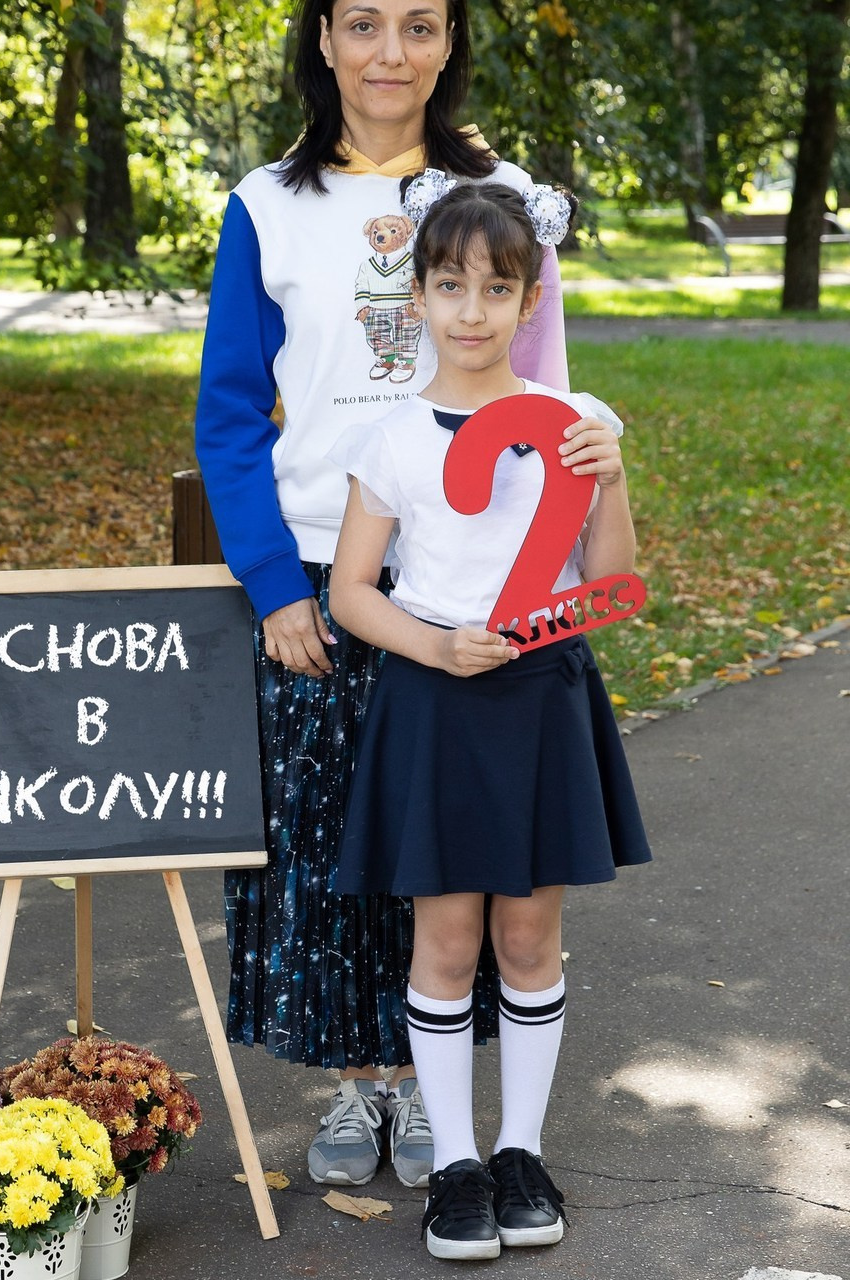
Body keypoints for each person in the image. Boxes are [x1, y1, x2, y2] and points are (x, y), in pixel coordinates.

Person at [194, 0, 581, 1189]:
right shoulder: (267, 204)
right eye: (361, 23)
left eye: (418, 25)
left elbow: (546, 393)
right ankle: (363, 1086)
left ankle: (441, 1103)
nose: (388, 53)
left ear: (450, 42)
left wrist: (546, 594)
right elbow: (226, 415)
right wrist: (270, 585)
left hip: (469, 578)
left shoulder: (502, 195)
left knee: (458, 849)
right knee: (338, 847)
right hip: (323, 573)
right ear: (320, 39)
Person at [327, 177, 652, 1260]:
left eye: (496, 287)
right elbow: (351, 592)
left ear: (529, 299)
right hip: (432, 696)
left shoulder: (577, 423)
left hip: (541, 695)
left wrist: (610, 485)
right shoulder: (393, 438)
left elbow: (608, 589)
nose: (471, 309)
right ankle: (456, 1164)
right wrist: (432, 645)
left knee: (525, 933)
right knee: (446, 933)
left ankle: (520, 1149)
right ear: (414, 297)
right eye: (449, 284)